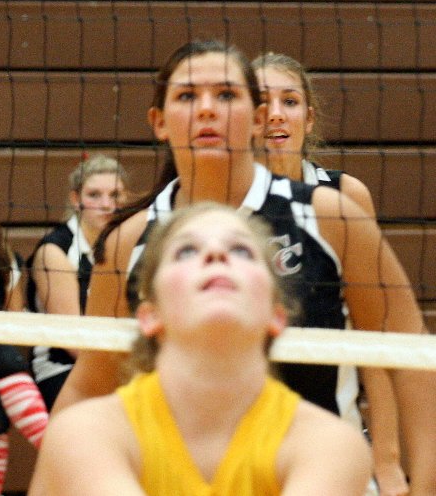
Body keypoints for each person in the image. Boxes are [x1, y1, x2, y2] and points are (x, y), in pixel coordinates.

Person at [31, 40, 435, 496]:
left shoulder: (328, 214)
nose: (207, 109)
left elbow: (409, 353)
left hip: (313, 472)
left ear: (257, 119)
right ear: (159, 122)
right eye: (187, 95)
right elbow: (90, 383)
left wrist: (421, 480)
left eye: (226, 94)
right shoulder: (128, 241)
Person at [37, 202, 372, 495]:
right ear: (149, 315)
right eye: (186, 251)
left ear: (276, 315)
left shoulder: (331, 444)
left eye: (241, 251)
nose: (216, 255)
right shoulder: (86, 432)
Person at [252, 52, 409, 496]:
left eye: (290, 101)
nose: (276, 115)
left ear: (309, 117)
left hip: (331, 435)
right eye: (262, 103)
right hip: (241, 437)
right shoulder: (223, 203)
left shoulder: (343, 197)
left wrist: (387, 461)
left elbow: (376, 336)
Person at [26, 154, 128, 410]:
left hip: (114, 364)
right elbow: (72, 339)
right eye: (94, 195)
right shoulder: (55, 251)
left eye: (115, 195)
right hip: (62, 368)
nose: (107, 205)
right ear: (75, 199)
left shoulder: (128, 244)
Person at [0, 224, 48, 496]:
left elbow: (13, 319)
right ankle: (55, 445)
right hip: (3, 362)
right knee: (2, 357)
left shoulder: (4, 258)